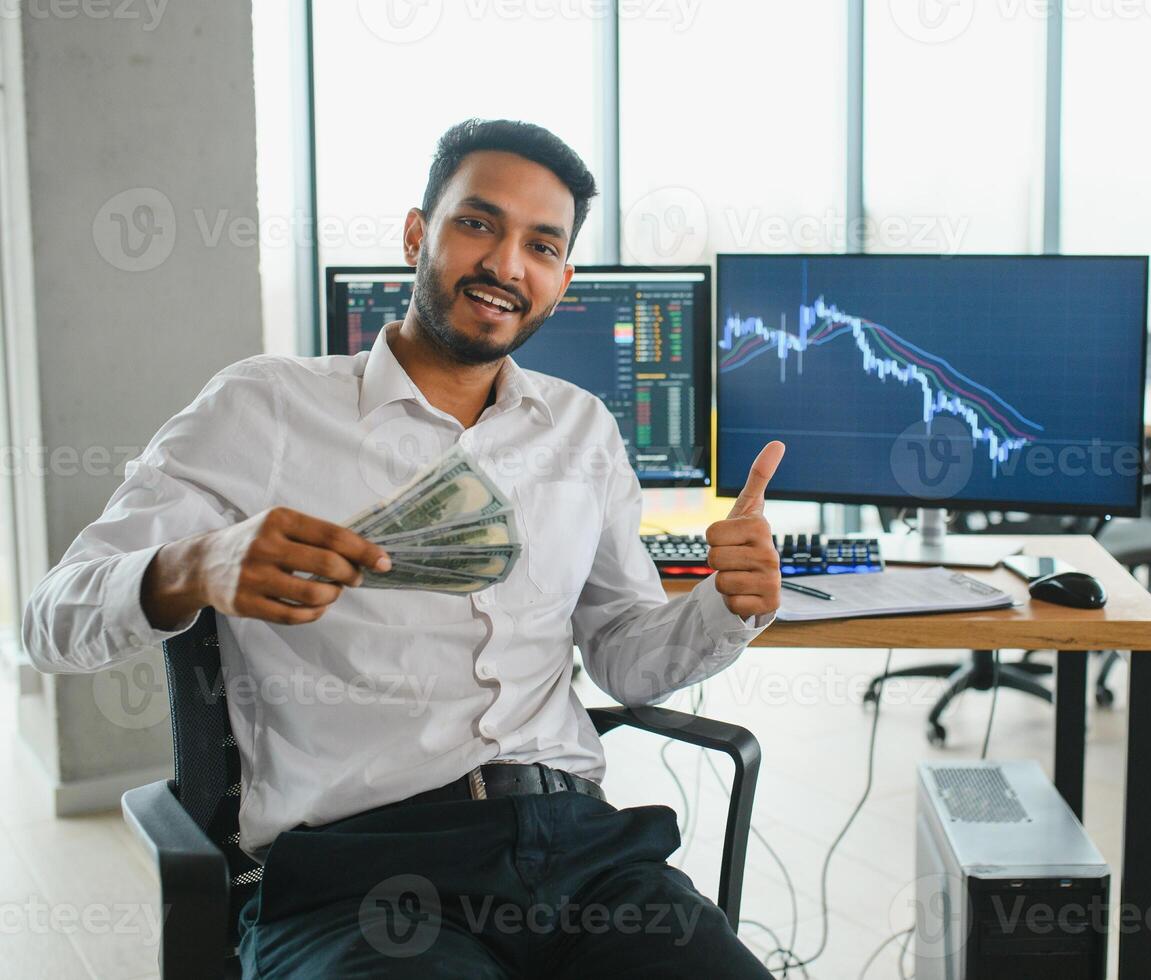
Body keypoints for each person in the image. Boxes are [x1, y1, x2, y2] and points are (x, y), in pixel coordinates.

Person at [24, 118, 783, 978]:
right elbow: (49, 622)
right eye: (478, 224)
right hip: (362, 873)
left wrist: (726, 607)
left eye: (541, 245)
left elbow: (623, 657)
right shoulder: (263, 407)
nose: (505, 264)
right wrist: (191, 567)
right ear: (418, 232)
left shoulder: (582, 431)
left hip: (584, 857)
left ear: (562, 281)